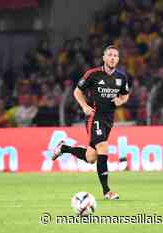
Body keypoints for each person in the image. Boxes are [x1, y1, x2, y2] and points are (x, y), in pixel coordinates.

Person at [52, 45, 130, 200]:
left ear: (118, 59)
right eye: (110, 55)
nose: (113, 58)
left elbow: (125, 95)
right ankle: (107, 191)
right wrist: (84, 106)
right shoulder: (93, 74)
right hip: (94, 116)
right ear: (104, 58)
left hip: (108, 119)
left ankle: (64, 148)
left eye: (115, 55)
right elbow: (77, 91)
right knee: (103, 147)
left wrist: (120, 101)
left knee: (91, 158)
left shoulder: (121, 77)